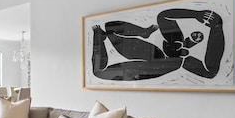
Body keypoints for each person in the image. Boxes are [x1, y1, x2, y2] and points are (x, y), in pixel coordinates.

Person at [91, 8, 224, 81]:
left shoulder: (179, 62)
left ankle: (101, 36)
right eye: (195, 36)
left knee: (100, 72)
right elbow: (163, 16)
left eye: (197, 39)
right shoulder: (174, 38)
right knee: (110, 27)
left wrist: (216, 27)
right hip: (155, 54)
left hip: (162, 63)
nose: (195, 38)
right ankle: (143, 32)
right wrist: (195, 14)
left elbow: (210, 72)